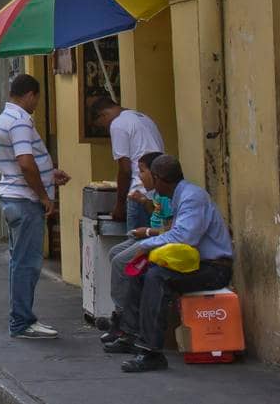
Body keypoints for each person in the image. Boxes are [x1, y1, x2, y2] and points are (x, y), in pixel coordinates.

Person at [103, 154, 234, 373]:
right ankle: (131, 334)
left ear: (159, 178)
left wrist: (147, 244)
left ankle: (151, 351)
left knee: (157, 278)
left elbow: (184, 237)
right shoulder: (179, 196)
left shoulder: (192, 197)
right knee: (141, 272)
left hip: (214, 268)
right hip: (193, 263)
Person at [0, 73, 71, 341]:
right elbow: (25, 163)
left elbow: (23, 164)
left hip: (13, 196)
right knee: (27, 263)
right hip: (25, 201)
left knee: (20, 262)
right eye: (36, 99)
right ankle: (22, 321)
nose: (36, 104)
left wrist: (49, 173)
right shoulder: (20, 122)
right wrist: (44, 196)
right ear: (30, 95)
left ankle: (21, 318)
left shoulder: (5, 118)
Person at [102, 151, 173, 341]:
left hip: (157, 238)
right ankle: (123, 311)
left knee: (120, 261)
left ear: (155, 174)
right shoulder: (157, 194)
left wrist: (148, 233)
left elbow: (170, 229)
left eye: (142, 171)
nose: (139, 176)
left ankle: (123, 317)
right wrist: (143, 202)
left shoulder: (169, 197)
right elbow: (156, 213)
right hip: (149, 234)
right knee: (114, 252)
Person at [90, 97, 166, 232]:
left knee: (136, 245)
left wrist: (120, 205)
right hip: (157, 193)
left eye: (102, 125)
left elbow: (125, 170)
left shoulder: (118, 124)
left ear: (103, 115)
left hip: (138, 192)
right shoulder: (143, 118)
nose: (106, 129)